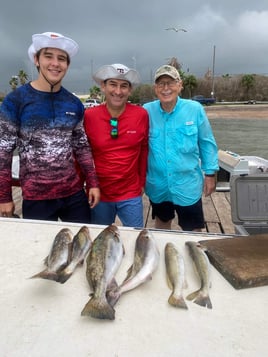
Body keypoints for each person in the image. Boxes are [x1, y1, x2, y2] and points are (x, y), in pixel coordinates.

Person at [0, 31, 100, 223]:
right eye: (48, 56)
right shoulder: (15, 100)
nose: (55, 63)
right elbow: (3, 151)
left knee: (83, 244)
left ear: (67, 65)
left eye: (61, 59)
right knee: (40, 249)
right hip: (36, 198)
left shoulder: (74, 103)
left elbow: (81, 146)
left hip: (73, 193)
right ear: (36, 60)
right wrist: (4, 196)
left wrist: (93, 183)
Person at [143, 65, 219, 231]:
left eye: (170, 83)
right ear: (155, 88)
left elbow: (207, 143)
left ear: (180, 85)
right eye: (161, 84)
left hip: (187, 184)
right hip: (157, 184)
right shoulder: (145, 111)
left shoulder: (195, 109)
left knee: (193, 231)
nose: (166, 88)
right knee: (162, 224)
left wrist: (210, 174)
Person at [84, 63, 149, 227]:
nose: (118, 91)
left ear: (130, 90)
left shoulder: (141, 115)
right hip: (100, 193)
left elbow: (143, 151)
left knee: (136, 237)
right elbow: (82, 154)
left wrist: (142, 182)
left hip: (131, 193)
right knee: (100, 240)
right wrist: (86, 185)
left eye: (124, 86)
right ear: (103, 86)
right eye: (113, 84)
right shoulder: (89, 116)